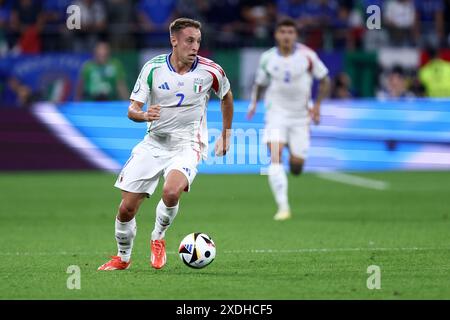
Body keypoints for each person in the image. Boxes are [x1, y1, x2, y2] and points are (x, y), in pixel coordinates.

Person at [98, 18, 234, 271]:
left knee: (171, 192)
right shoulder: (153, 68)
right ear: (174, 40)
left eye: (198, 41)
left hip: (188, 143)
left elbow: (226, 96)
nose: (195, 47)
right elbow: (132, 109)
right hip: (154, 143)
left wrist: (226, 134)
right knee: (126, 209)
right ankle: (123, 258)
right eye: (189, 41)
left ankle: (158, 237)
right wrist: (143, 115)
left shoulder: (211, 70)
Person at [247, 18, 330, 221]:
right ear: (276, 34)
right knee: (274, 156)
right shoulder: (267, 58)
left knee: (296, 165)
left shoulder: (308, 56)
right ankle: (283, 207)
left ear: (295, 35)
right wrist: (254, 102)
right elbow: (260, 83)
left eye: (290, 32)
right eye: (282, 31)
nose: (286, 35)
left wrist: (317, 106)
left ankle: (295, 161)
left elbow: (325, 79)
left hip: (301, 117)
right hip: (276, 113)